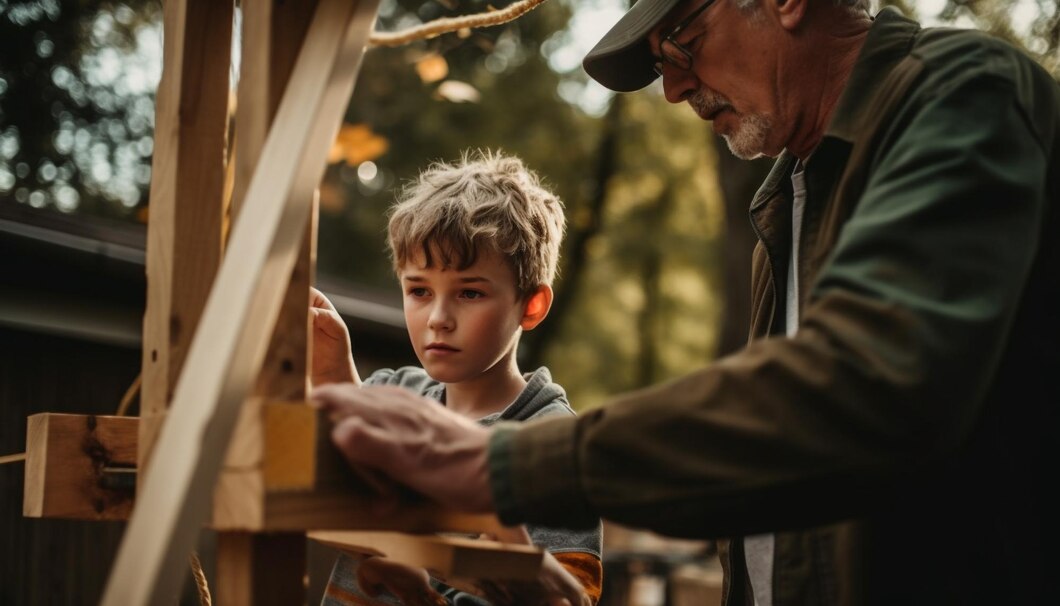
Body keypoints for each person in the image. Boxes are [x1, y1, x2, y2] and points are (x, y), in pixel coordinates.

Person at [312, 1, 1060, 604]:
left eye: (682, 39)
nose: (672, 87)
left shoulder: (965, 91)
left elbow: (864, 386)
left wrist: (500, 463)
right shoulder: (790, 197)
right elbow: (783, 464)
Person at [311, 151, 602, 605]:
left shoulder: (553, 450)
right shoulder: (393, 391)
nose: (438, 319)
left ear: (531, 306)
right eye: (419, 291)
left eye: (469, 292)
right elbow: (340, 471)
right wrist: (331, 371)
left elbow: (564, 598)